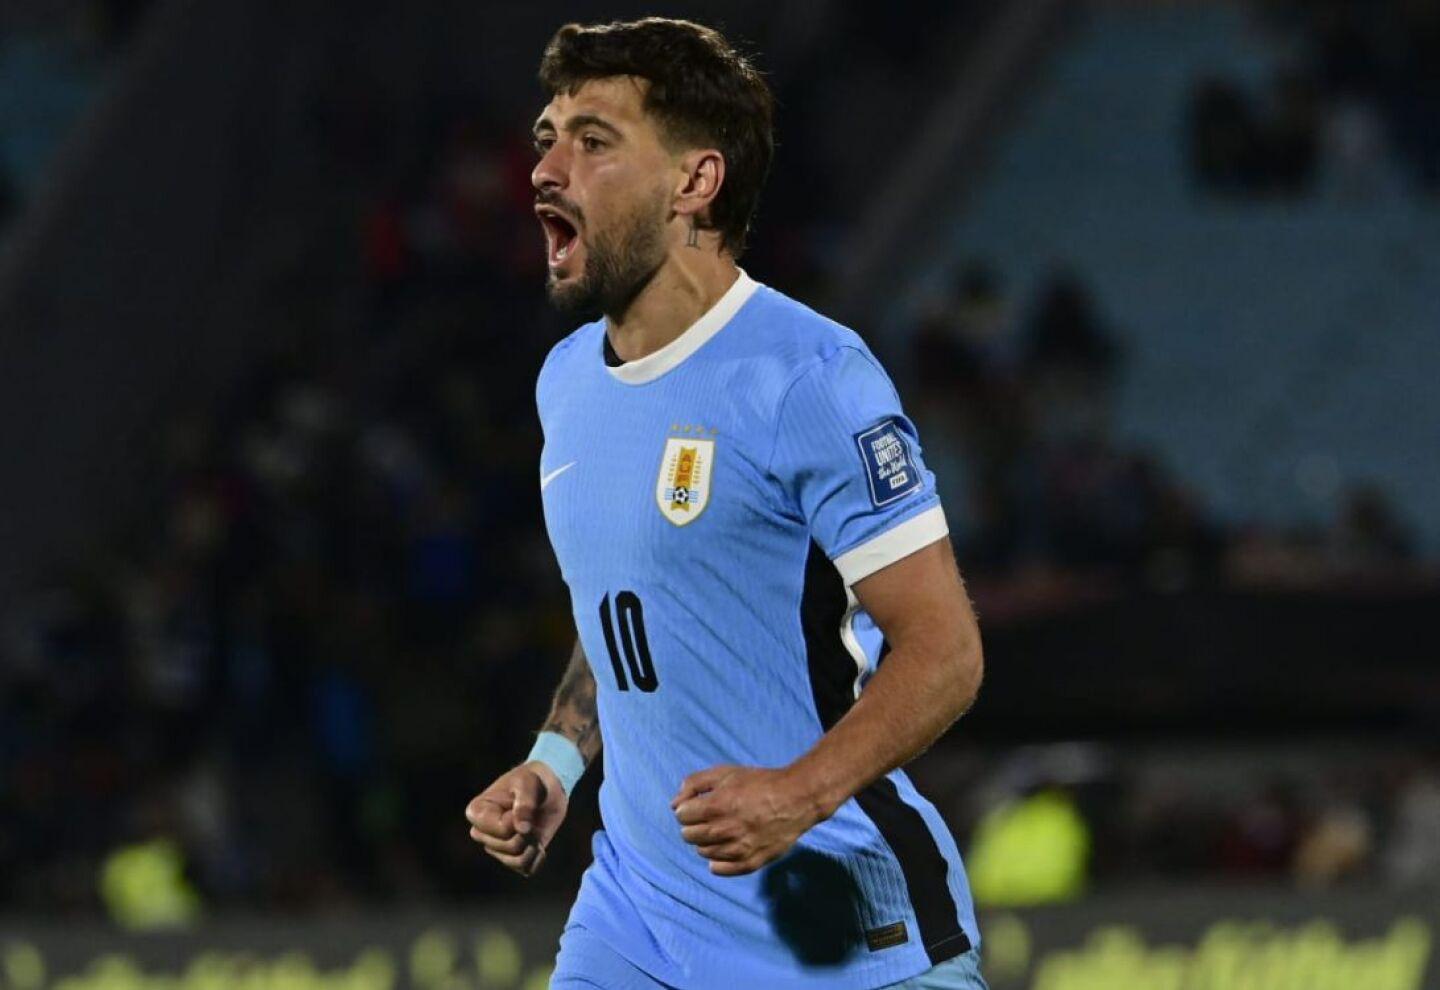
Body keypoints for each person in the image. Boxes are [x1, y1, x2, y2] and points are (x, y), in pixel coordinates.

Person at [464, 18, 987, 990]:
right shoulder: (566, 381)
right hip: (636, 923)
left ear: (695, 182)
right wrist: (555, 762)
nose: (545, 170)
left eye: (593, 141)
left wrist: (799, 794)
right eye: (547, 138)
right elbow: (629, 606)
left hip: (836, 931)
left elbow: (946, 652)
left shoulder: (809, 378)